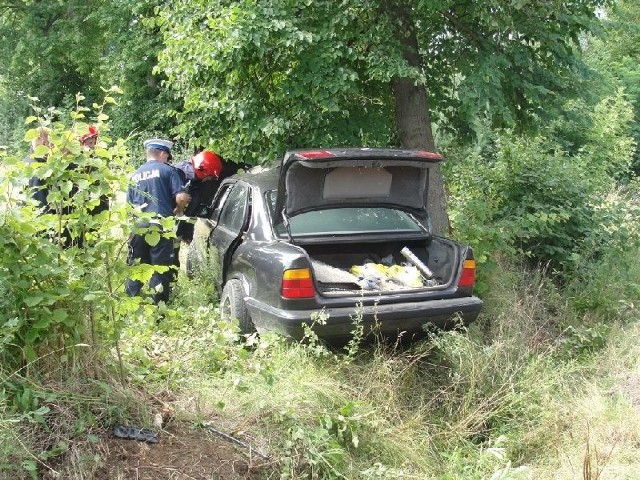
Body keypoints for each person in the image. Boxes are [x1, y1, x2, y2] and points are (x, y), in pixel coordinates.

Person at [125, 138, 191, 304]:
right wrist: (179, 210)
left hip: (139, 226)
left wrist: (129, 233)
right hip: (160, 224)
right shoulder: (168, 171)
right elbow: (182, 196)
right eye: (167, 156)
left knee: (137, 265)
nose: (168, 159)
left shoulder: (134, 175)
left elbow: (129, 207)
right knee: (160, 268)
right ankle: (158, 307)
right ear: (162, 154)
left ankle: (131, 303)